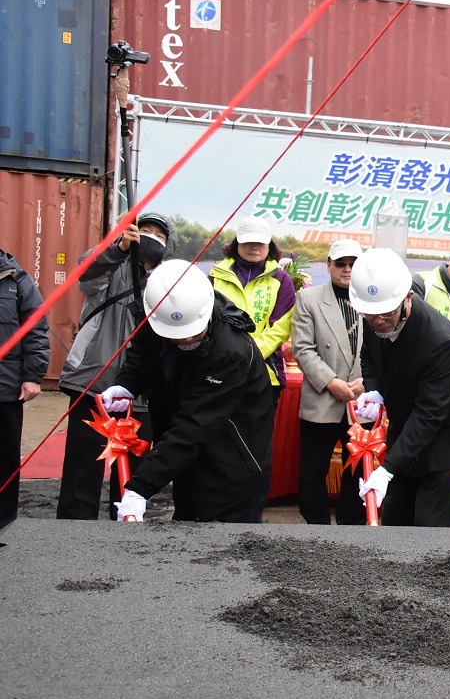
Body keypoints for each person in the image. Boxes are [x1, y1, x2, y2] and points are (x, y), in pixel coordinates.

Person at [101, 260, 274, 523]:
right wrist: (127, 384)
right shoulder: (160, 313)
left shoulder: (231, 351)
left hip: (233, 462)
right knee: (186, 527)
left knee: (227, 547)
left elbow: (196, 425)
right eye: (176, 337)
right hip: (186, 456)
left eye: (193, 335)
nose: (185, 341)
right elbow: (144, 354)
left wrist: (140, 487)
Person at [56, 213, 174, 520]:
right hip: (95, 382)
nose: (149, 237)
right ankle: (72, 531)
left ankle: (124, 529)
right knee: (83, 467)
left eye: (158, 234)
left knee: (131, 473)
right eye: (143, 230)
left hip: (142, 392)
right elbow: (87, 277)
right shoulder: (110, 264)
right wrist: (119, 249)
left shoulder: (169, 281)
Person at [351, 248, 450, 526]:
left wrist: (386, 470)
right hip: (407, 419)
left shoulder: (440, 339)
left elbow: (430, 413)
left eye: (386, 314)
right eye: (369, 314)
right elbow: (369, 357)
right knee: (397, 513)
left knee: (428, 523)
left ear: (408, 297)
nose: (378, 321)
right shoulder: (374, 313)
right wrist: (375, 392)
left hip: (447, 430)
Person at [210, 216, 296, 505]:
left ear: (269, 245)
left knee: (256, 447)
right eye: (247, 242)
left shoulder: (282, 281)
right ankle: (217, 505)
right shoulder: (216, 277)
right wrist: (229, 358)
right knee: (217, 442)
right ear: (236, 244)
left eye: (260, 242)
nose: (254, 247)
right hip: (219, 374)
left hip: (264, 377)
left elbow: (280, 328)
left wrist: (243, 357)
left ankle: (250, 508)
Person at [291, 239, 366, 525]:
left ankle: (353, 526)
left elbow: (383, 346)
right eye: (341, 264)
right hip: (322, 398)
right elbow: (303, 348)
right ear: (329, 265)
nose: (347, 270)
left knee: (358, 470)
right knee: (312, 471)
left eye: (353, 264)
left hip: (361, 403)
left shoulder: (372, 298)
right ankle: (316, 527)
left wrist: (365, 382)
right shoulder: (309, 298)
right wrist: (331, 382)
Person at [0, 250, 50, 529]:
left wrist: (33, 376)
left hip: (5, 388)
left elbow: (36, 329)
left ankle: (5, 522)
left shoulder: (16, 279)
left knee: (5, 460)